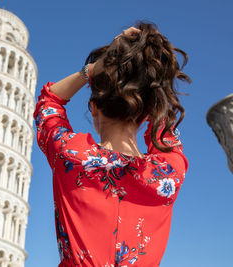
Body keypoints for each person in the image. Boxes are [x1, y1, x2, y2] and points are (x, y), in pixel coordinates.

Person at [33, 21, 191, 267]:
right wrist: (151, 73)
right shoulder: (167, 175)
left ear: (94, 109)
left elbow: (49, 100)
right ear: (147, 113)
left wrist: (95, 68)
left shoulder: (72, 156)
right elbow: (164, 128)